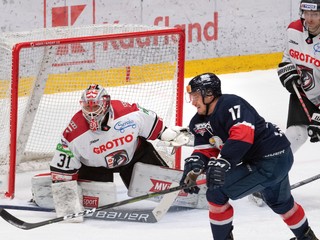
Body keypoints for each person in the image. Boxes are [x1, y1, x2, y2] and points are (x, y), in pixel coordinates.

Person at [179, 73, 318, 240]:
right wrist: (194, 166)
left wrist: (224, 162)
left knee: (216, 193)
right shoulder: (198, 121)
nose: (193, 102)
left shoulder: (231, 104)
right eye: (191, 97)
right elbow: (205, 150)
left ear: (209, 94)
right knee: (282, 204)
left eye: (195, 96)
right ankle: (308, 238)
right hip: (277, 157)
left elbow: (242, 135)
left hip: (270, 159)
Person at [48, 84, 189, 220]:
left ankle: (183, 189)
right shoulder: (73, 132)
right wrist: (66, 202)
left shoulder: (129, 113)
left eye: (95, 106)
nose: (91, 112)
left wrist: (167, 134)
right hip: (95, 168)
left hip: (134, 158)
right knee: (103, 203)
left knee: (164, 190)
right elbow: (63, 170)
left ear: (105, 104)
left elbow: (155, 126)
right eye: (87, 106)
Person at [277, 0, 320, 153]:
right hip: (303, 92)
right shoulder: (293, 30)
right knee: (295, 135)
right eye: (307, 13)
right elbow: (287, 58)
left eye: (315, 14)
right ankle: (277, 171)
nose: (309, 19)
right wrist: (288, 73)